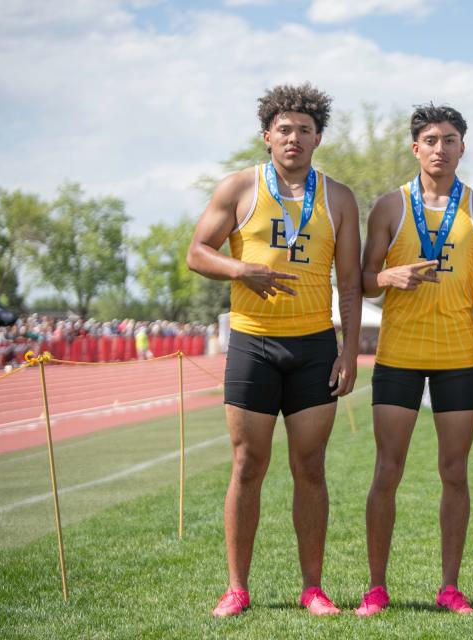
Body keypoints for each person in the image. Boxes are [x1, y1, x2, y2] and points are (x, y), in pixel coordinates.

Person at [187, 84, 362, 618]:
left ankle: (313, 588)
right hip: (253, 343)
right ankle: (237, 588)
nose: (294, 137)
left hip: (313, 346)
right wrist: (242, 269)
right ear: (267, 136)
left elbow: (351, 283)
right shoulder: (239, 187)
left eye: (304, 130)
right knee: (248, 464)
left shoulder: (339, 197)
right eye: (284, 129)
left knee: (311, 467)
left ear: (318, 138)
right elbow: (197, 252)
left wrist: (349, 351)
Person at [357, 103, 473, 615]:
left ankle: (450, 586)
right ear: (415, 147)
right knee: (387, 471)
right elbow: (360, 281)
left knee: (455, 472)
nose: (440, 149)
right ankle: (376, 586)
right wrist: (387, 278)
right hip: (398, 355)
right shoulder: (388, 207)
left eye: (450, 140)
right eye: (431, 140)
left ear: (463, 147)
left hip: (459, 356)